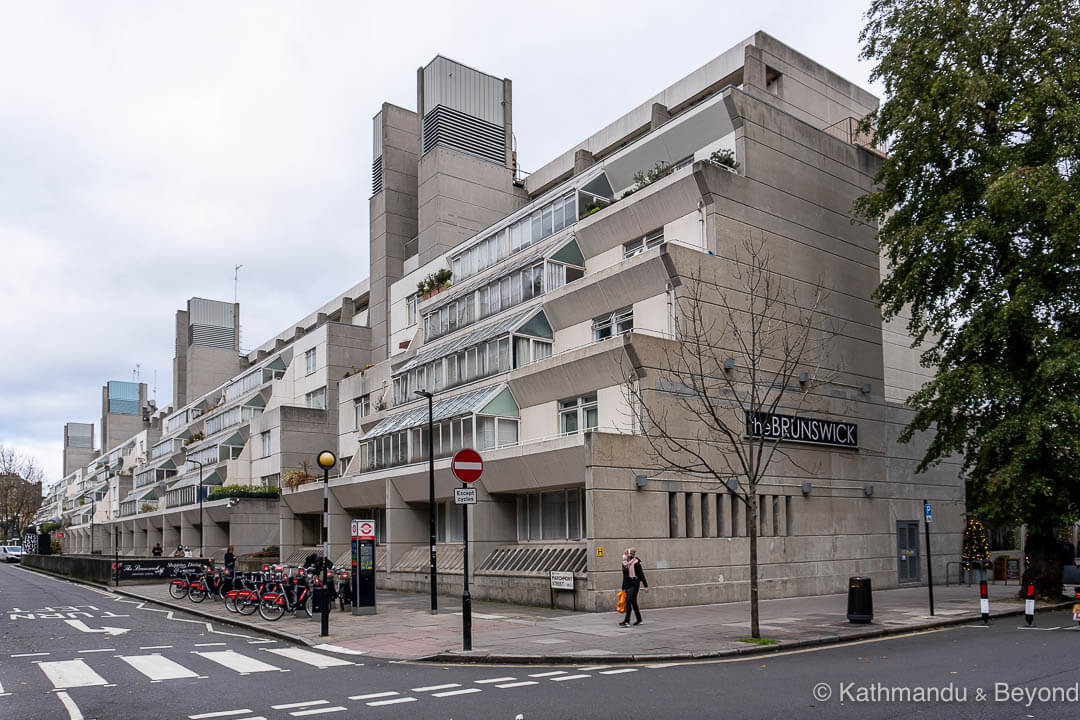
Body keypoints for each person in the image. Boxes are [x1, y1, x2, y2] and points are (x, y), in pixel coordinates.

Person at [619, 547, 648, 627]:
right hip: (627, 584)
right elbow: (624, 576)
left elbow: (641, 575)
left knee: (628, 601)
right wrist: (623, 588)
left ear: (629, 555)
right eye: (624, 554)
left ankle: (626, 621)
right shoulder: (624, 563)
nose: (624, 555)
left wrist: (646, 586)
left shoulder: (636, 563)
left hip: (634, 584)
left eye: (625, 554)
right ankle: (639, 620)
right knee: (633, 602)